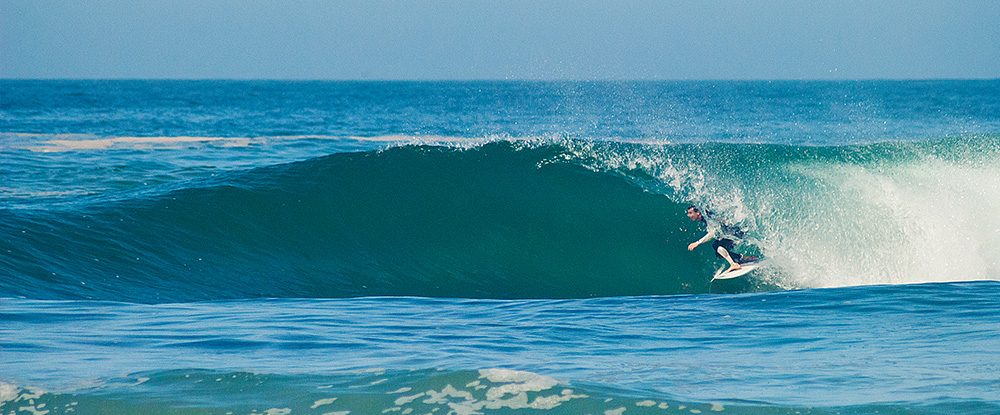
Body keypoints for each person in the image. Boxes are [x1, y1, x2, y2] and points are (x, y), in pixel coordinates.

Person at [685, 205, 755, 274]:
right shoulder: (705, 218)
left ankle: (734, 264)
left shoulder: (707, 216)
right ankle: (745, 258)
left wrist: (697, 243)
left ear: (698, 212)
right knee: (719, 253)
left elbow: (713, 233)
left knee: (717, 245)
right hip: (732, 234)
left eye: (690, 213)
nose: (688, 215)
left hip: (735, 234)